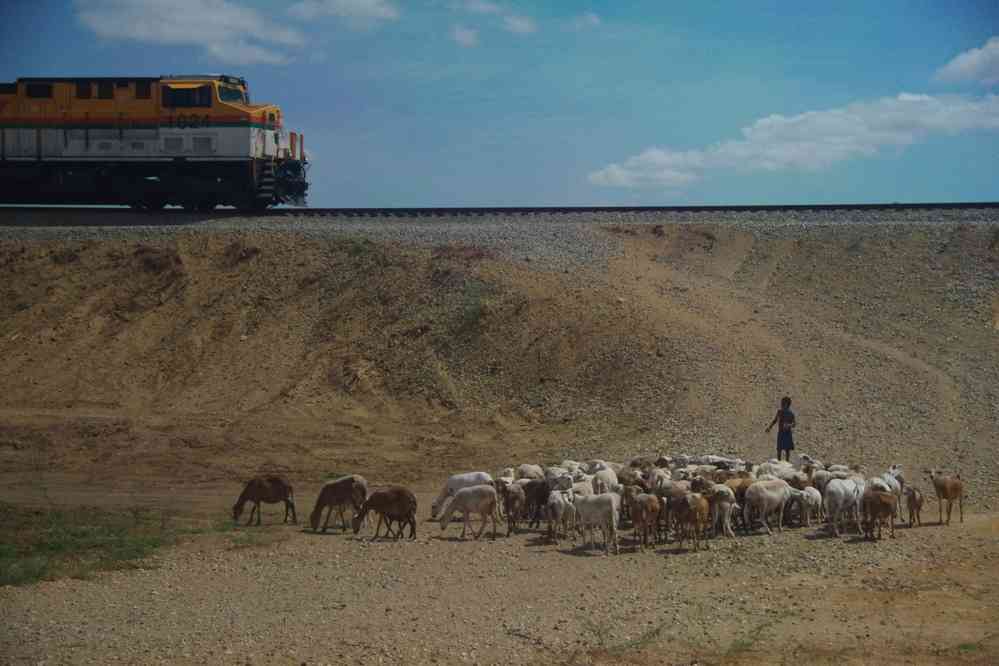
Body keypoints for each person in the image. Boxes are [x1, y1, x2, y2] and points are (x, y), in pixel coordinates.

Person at [765, 396, 796, 462]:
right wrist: (769, 427)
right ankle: (779, 463)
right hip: (781, 432)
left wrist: (788, 425)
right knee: (779, 449)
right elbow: (775, 420)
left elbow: (794, 424)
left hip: (787, 433)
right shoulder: (779, 412)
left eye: (783, 403)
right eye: (782, 403)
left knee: (787, 450)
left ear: (787, 404)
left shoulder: (791, 414)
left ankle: (787, 463)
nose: (781, 405)